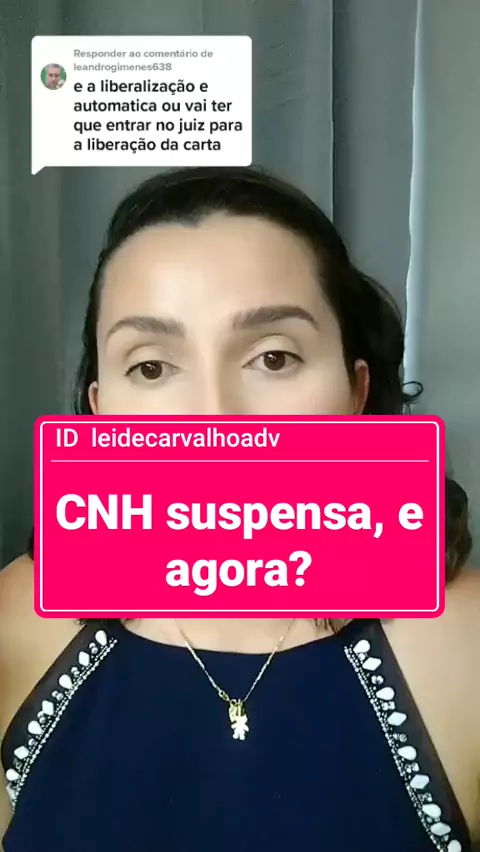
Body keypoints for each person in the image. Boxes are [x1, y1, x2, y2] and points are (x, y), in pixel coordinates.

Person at [0, 166, 478, 852]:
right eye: (152, 367)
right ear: (102, 415)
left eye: (274, 358)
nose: (215, 417)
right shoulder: (19, 617)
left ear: (355, 393)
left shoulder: (464, 646)